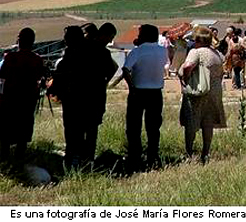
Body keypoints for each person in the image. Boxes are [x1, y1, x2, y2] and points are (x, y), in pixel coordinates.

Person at [122, 24, 168, 171]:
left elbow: (125, 69)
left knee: (134, 126)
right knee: (153, 126)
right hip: (156, 92)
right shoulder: (163, 51)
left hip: (138, 91)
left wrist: (131, 87)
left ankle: (135, 155)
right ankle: (152, 156)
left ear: (145, 36)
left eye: (140, 34)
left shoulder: (137, 51)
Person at [178, 26, 225, 164]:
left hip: (198, 91)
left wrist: (186, 78)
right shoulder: (216, 54)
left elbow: (187, 66)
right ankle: (206, 152)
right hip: (214, 93)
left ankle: (189, 153)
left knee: (191, 122)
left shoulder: (196, 52)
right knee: (207, 123)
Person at [51, 26, 94, 169]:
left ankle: (73, 158)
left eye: (67, 36)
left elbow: (67, 73)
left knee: (72, 129)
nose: (65, 39)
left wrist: (55, 81)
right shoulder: (88, 52)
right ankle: (79, 158)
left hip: (74, 97)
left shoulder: (73, 54)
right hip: (84, 97)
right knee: (79, 129)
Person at [0, 27, 45, 163]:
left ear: (19, 41)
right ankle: (19, 159)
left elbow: (1, 76)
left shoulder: (9, 58)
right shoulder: (37, 60)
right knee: (23, 131)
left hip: (10, 100)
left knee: (6, 131)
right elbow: (39, 77)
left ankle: (4, 158)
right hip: (28, 100)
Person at [83, 22, 119, 163]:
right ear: (103, 35)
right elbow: (113, 68)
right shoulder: (102, 52)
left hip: (82, 94)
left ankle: (77, 158)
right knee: (91, 131)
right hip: (95, 95)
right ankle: (88, 159)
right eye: (110, 37)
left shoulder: (83, 48)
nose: (110, 41)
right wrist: (104, 82)